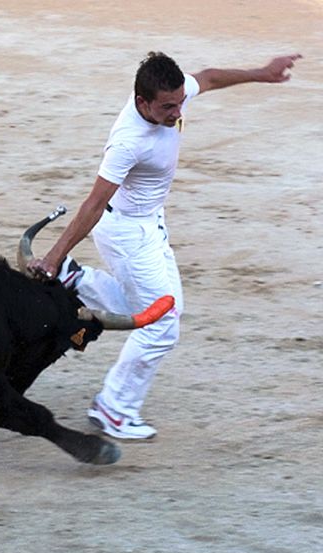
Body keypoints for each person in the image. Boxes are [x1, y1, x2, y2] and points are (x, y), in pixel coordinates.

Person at [28, 51, 301, 440]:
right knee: (161, 325)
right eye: (168, 107)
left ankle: (78, 279)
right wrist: (53, 257)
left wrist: (263, 73)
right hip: (126, 233)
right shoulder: (128, 142)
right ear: (142, 103)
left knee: (147, 310)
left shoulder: (170, 94)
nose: (177, 113)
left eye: (179, 102)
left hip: (149, 226)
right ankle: (114, 409)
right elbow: (93, 204)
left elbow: (208, 77)